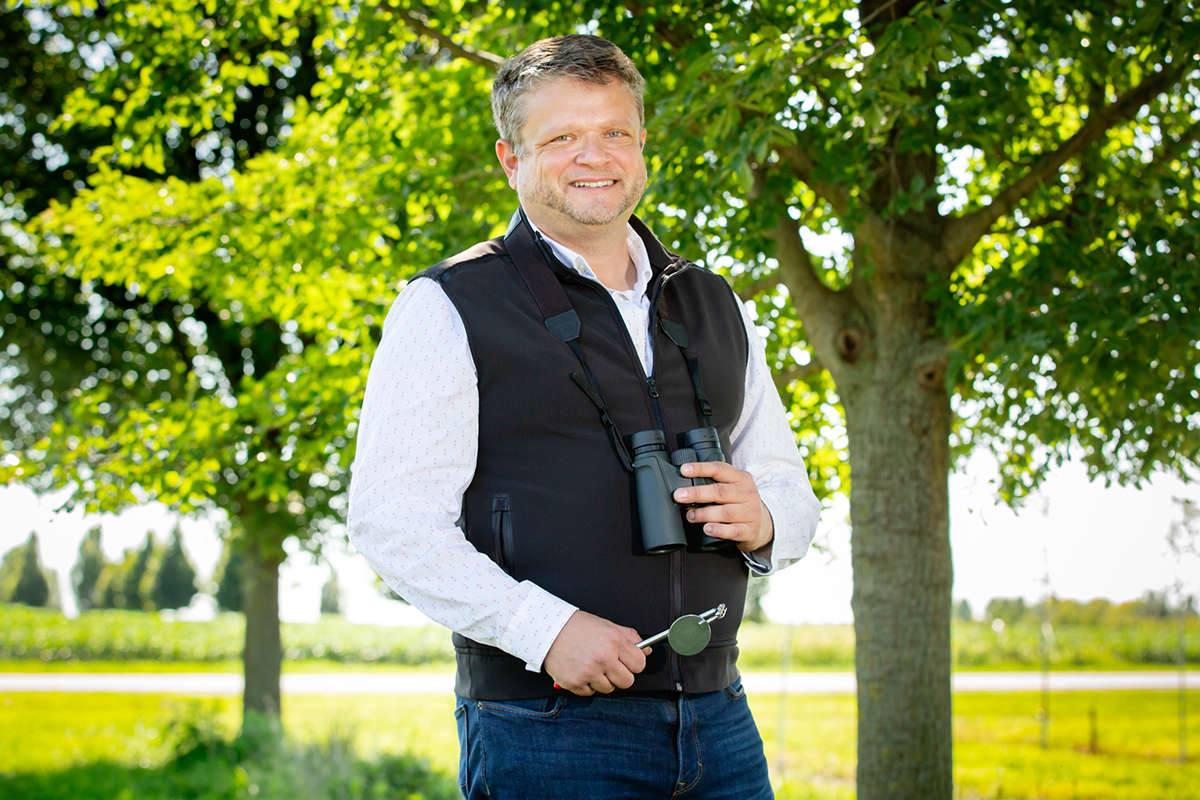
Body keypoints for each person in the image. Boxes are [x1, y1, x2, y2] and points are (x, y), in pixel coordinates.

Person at [348, 34, 820, 799]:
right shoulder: (446, 304)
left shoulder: (716, 302)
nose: (593, 156)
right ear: (511, 159)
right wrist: (543, 631)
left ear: (642, 146)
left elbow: (790, 492)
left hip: (722, 718)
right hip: (546, 728)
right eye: (561, 137)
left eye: (614, 132)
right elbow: (391, 521)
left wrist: (764, 519)